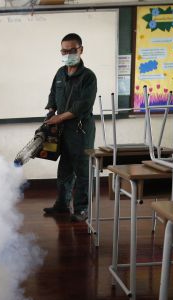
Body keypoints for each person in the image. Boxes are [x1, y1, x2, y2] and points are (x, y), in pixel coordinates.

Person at [43, 33, 97, 222]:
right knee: (64, 168)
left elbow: (81, 106)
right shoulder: (60, 73)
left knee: (82, 171)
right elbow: (52, 95)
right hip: (62, 131)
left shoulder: (88, 77)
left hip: (80, 131)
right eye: (64, 51)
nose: (67, 54)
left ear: (80, 50)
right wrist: (51, 111)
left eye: (71, 50)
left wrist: (59, 118)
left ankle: (82, 209)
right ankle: (62, 204)